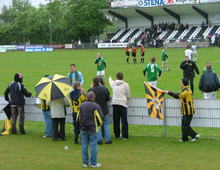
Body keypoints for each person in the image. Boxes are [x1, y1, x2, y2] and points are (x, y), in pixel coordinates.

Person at [164, 78, 200, 143]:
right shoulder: (187, 89)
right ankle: (184, 138)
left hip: (188, 111)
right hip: (186, 111)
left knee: (186, 125)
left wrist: (168, 92)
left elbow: (178, 95)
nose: (181, 83)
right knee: (183, 124)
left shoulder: (186, 91)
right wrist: (176, 96)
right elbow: (180, 95)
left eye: (181, 82)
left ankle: (195, 135)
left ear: (183, 83)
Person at [76, 91, 103, 168]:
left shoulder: (81, 106)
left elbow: (77, 118)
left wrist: (80, 125)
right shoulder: (96, 106)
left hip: (83, 128)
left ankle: (85, 162)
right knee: (93, 145)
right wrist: (99, 125)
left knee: (84, 145)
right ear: (93, 98)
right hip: (92, 129)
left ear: (86, 97)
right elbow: (100, 117)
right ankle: (93, 163)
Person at [88, 77, 112, 145]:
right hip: (104, 109)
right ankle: (108, 139)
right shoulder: (104, 88)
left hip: (95, 110)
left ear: (93, 82)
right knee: (106, 124)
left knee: (97, 125)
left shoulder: (91, 90)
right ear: (99, 82)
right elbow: (108, 98)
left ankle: (99, 139)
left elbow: (88, 99)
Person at [109, 72, 131, 140]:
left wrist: (110, 78)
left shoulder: (113, 84)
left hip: (115, 103)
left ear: (116, 77)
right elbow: (128, 94)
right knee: (124, 120)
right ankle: (125, 136)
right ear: (122, 77)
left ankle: (117, 135)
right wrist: (126, 99)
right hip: (123, 103)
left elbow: (110, 81)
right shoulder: (126, 85)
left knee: (116, 120)